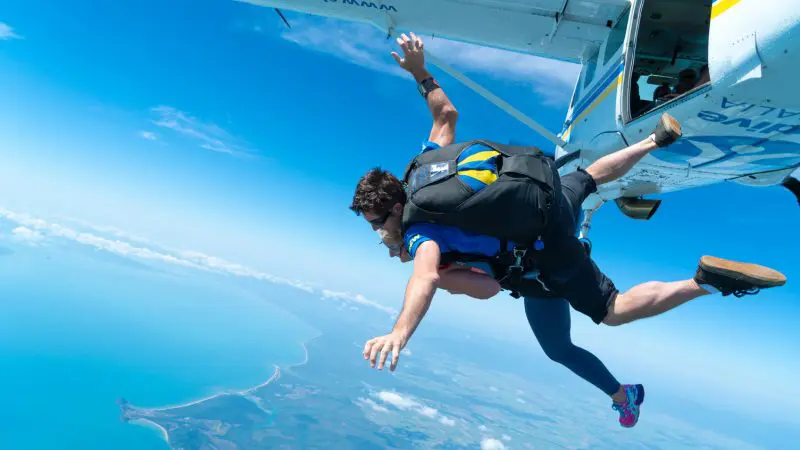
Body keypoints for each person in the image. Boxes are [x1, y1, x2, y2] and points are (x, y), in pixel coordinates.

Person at [352, 32, 787, 424]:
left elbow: (468, 285)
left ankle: (702, 284)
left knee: (604, 316)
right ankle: (654, 140)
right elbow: (445, 113)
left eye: (376, 222)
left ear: (393, 207)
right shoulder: (426, 166)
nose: (378, 232)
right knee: (591, 177)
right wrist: (420, 70)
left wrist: (402, 328)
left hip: (545, 253)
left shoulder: (419, 233)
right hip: (549, 193)